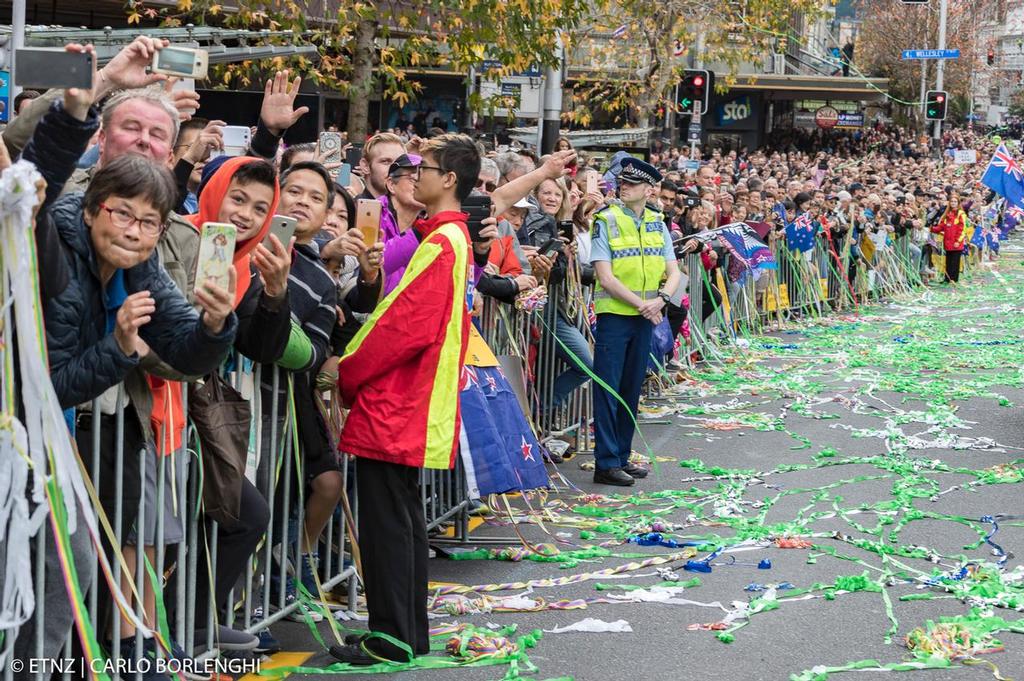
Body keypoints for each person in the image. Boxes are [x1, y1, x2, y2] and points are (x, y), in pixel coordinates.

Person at [330, 133, 486, 665]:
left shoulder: (443, 243)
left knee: (389, 526)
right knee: (402, 521)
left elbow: (401, 328)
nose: (412, 172)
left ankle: (393, 636)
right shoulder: (445, 237)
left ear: (449, 180)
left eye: (426, 166)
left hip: (400, 401)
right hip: (412, 401)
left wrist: (348, 370)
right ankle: (405, 632)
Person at [589, 157, 681, 486]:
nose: (622, 187)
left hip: (646, 315)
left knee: (630, 389)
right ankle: (606, 461)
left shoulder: (658, 221)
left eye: (631, 184)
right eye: (622, 182)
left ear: (648, 189)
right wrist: (645, 304)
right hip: (616, 315)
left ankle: (622, 457)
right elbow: (606, 277)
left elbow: (674, 272)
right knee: (608, 389)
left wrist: (661, 300)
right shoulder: (606, 219)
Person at [931, 193, 969, 283]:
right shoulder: (947, 214)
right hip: (947, 242)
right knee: (948, 261)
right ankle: (947, 278)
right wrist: (932, 228)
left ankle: (953, 279)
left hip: (956, 242)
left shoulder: (961, 214)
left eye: (955, 201)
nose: (953, 203)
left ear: (958, 203)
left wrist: (958, 241)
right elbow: (942, 226)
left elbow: (963, 229)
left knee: (955, 262)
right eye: (951, 201)